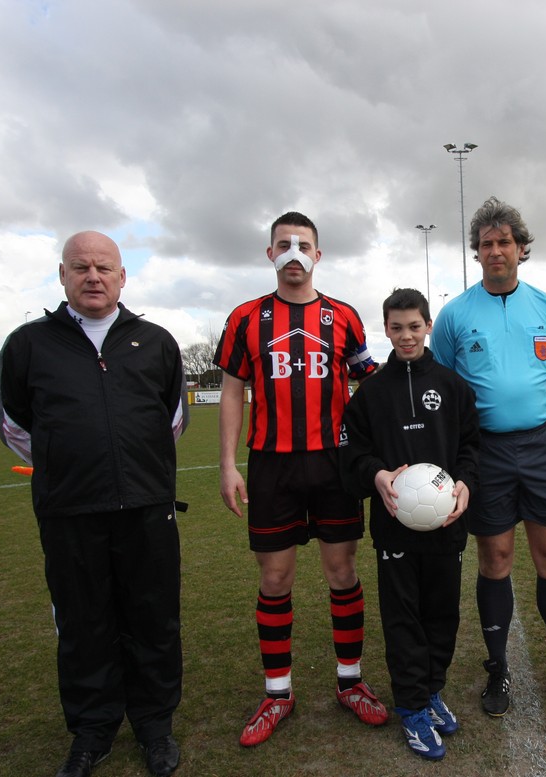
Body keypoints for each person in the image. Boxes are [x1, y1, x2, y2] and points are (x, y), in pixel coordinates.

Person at [0, 231, 188, 777]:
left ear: (123, 277)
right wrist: (70, 463)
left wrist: (132, 467)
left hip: (147, 507)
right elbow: (15, 425)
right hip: (69, 510)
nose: (93, 277)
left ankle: (154, 726)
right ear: (62, 275)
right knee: (84, 625)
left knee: (153, 619)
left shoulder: (155, 342)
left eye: (104, 267)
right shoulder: (28, 344)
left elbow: (170, 421)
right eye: (81, 267)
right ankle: (92, 731)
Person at [215, 211, 388, 749]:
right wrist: (227, 464)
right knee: (275, 579)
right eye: (284, 244)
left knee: (342, 571)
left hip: (333, 463)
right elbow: (231, 391)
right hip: (272, 465)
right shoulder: (246, 318)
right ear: (270, 253)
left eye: (303, 245)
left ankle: (350, 683)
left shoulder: (345, 317)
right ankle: (278, 693)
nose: (294, 253)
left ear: (318, 254)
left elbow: (371, 382)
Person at [432, 196, 546, 716]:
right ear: (477, 252)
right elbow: (443, 381)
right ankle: (498, 668)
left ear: (522, 248)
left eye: (505, 242)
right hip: (485, 452)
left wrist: (537, 408)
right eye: (486, 244)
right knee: (496, 559)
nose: (496, 251)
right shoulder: (455, 314)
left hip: (542, 445)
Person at [338, 288, 479, 761]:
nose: (406, 336)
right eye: (396, 328)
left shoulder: (453, 386)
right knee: (403, 620)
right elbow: (352, 454)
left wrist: (465, 482)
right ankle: (412, 708)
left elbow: (471, 447)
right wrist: (376, 474)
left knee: (442, 616)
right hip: (395, 529)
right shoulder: (372, 392)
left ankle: (432, 690)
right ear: (386, 329)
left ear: (428, 326)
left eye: (414, 326)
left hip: (446, 525)